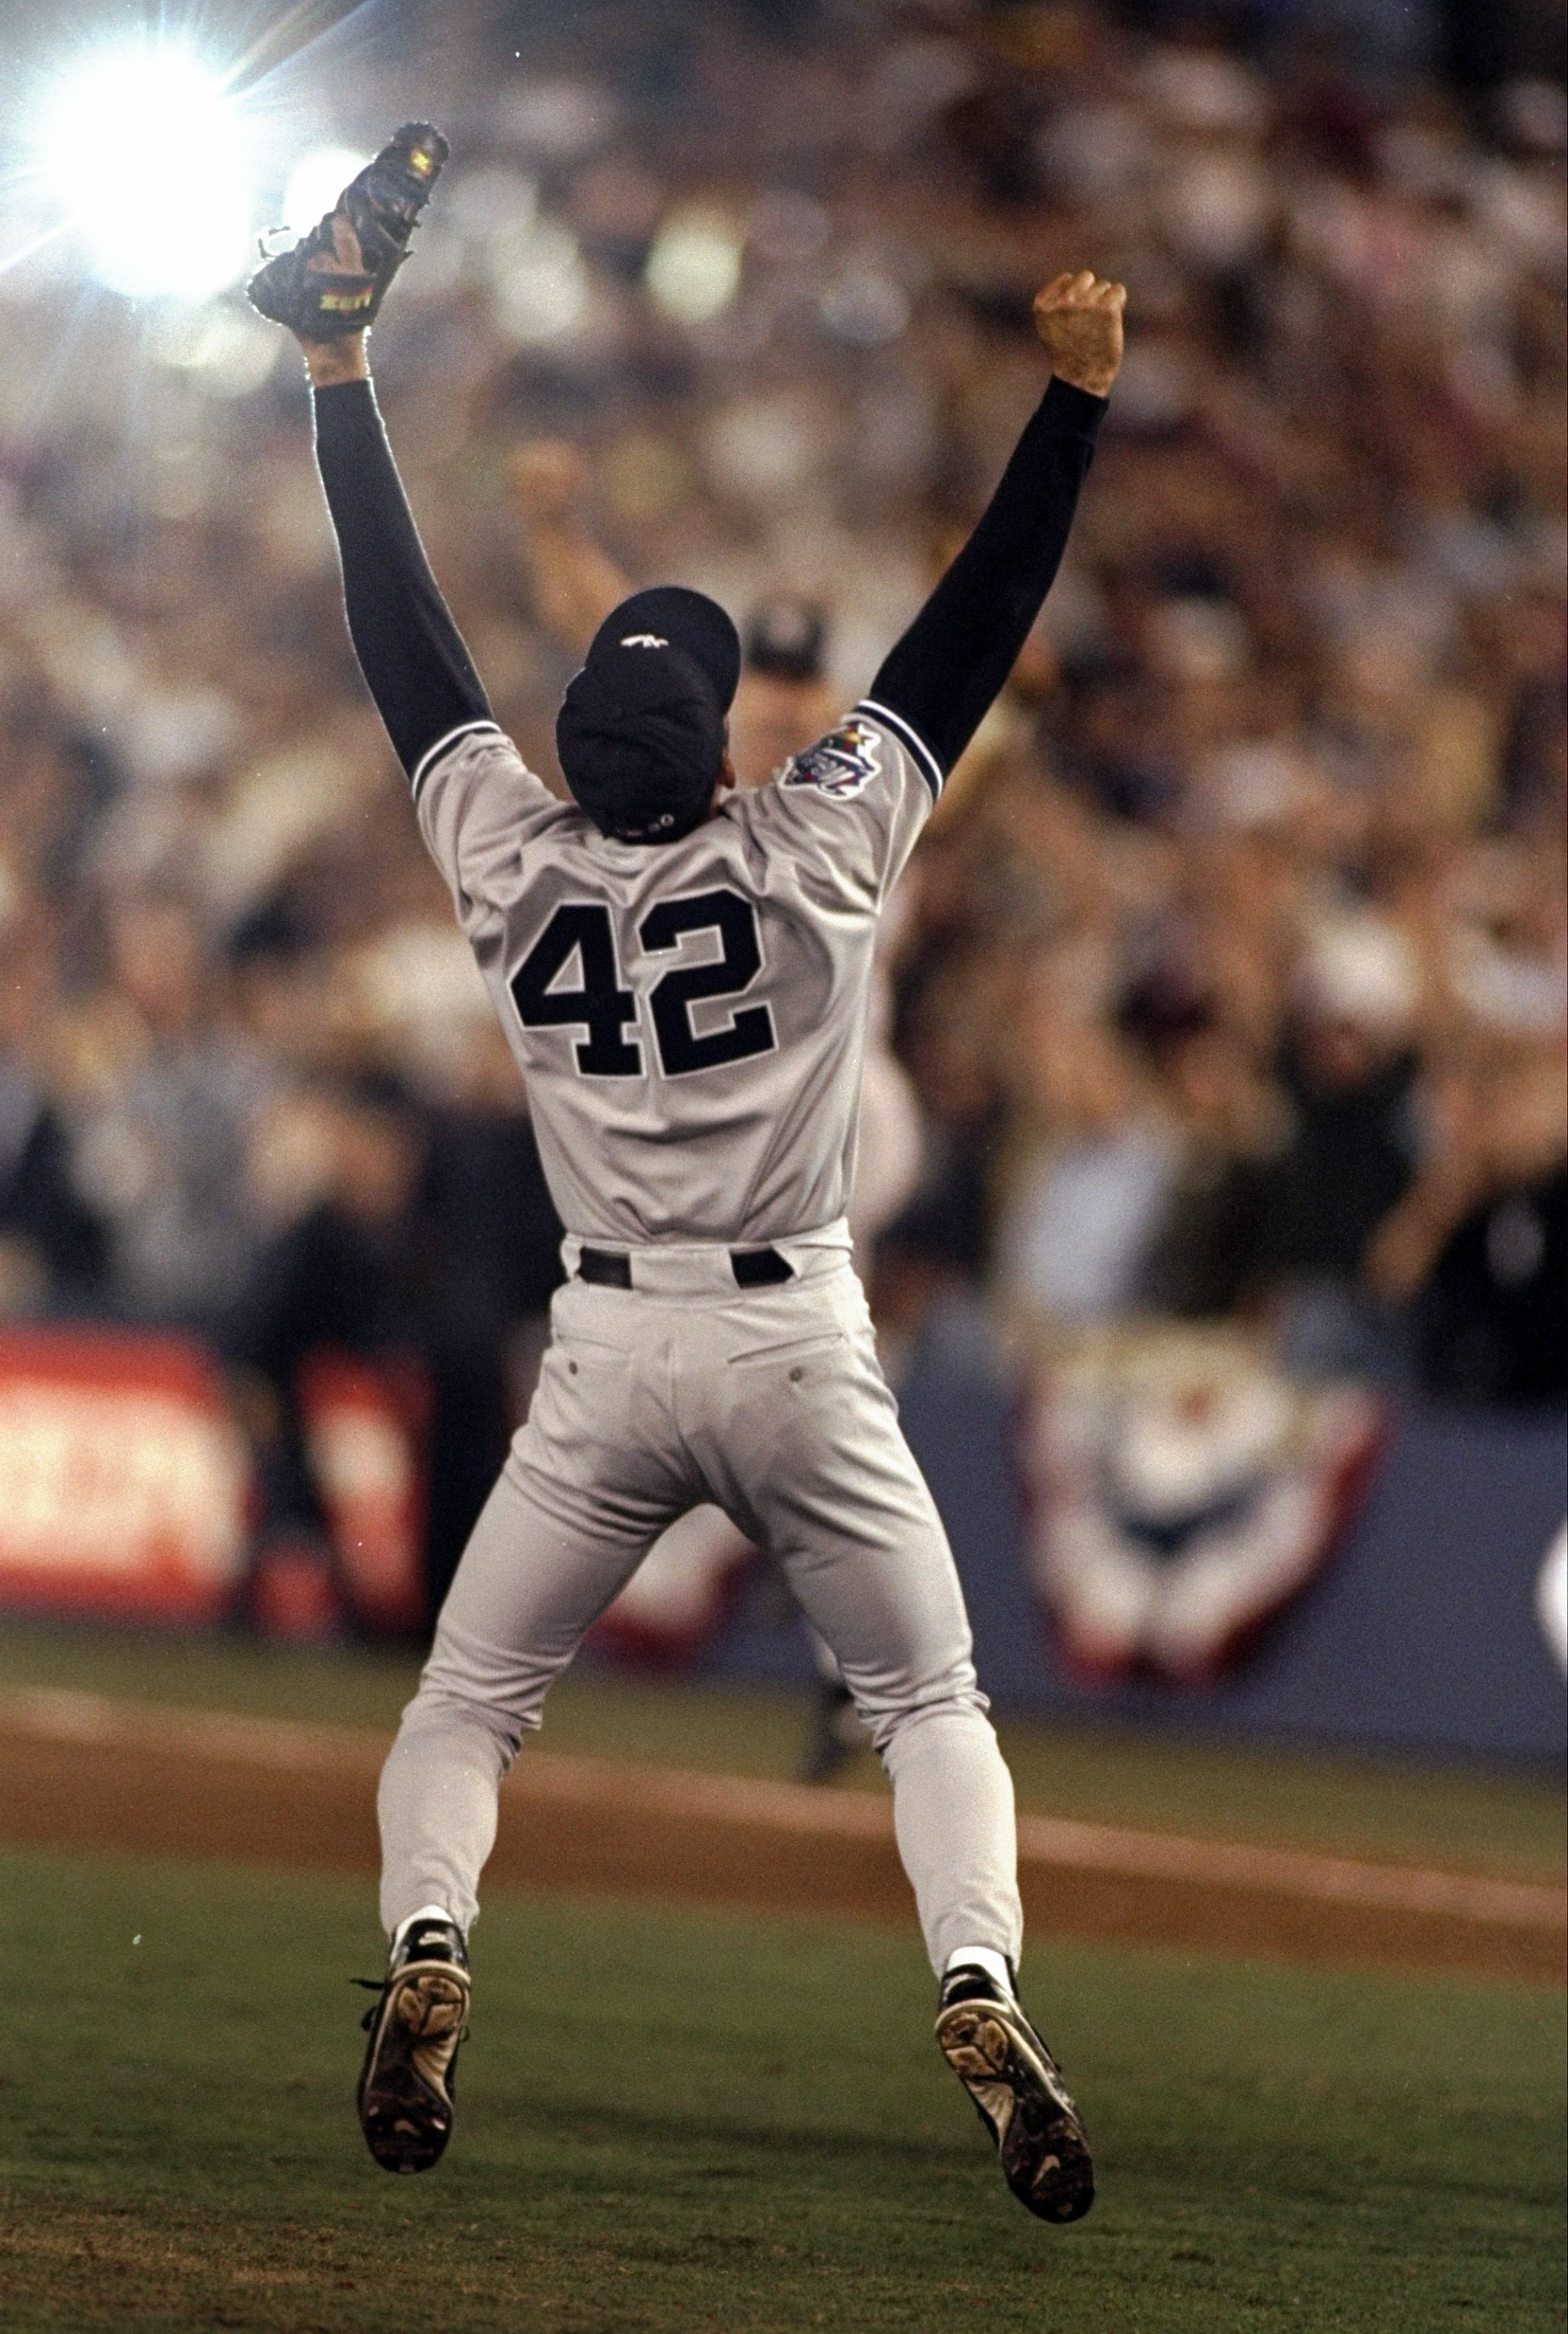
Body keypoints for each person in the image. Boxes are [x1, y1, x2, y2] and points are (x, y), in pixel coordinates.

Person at [248, 125, 1123, 2224]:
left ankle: (439, 1945)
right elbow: (968, 634)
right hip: (802, 1333)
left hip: (607, 1355)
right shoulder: (817, 848)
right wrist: (1073, 404)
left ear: (575, 747)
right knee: (926, 1698)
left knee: (465, 1705)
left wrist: (338, 383)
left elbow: (405, 644)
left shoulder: (504, 859)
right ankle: (978, 1978)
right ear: (729, 742)